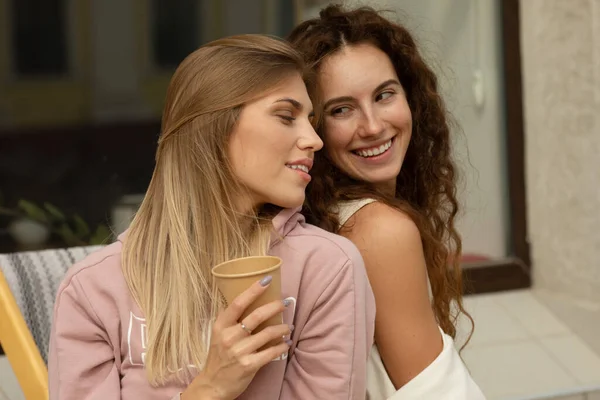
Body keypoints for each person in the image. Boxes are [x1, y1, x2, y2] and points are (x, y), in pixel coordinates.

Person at [48, 34, 376, 400]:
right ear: (214, 127)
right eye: (286, 116)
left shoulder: (326, 270)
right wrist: (210, 388)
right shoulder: (92, 291)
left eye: (311, 120)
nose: (314, 140)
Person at [288, 5, 485, 399]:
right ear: (313, 126)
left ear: (410, 97)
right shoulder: (378, 229)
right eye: (341, 109)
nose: (373, 126)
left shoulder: (329, 216)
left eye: (384, 95)